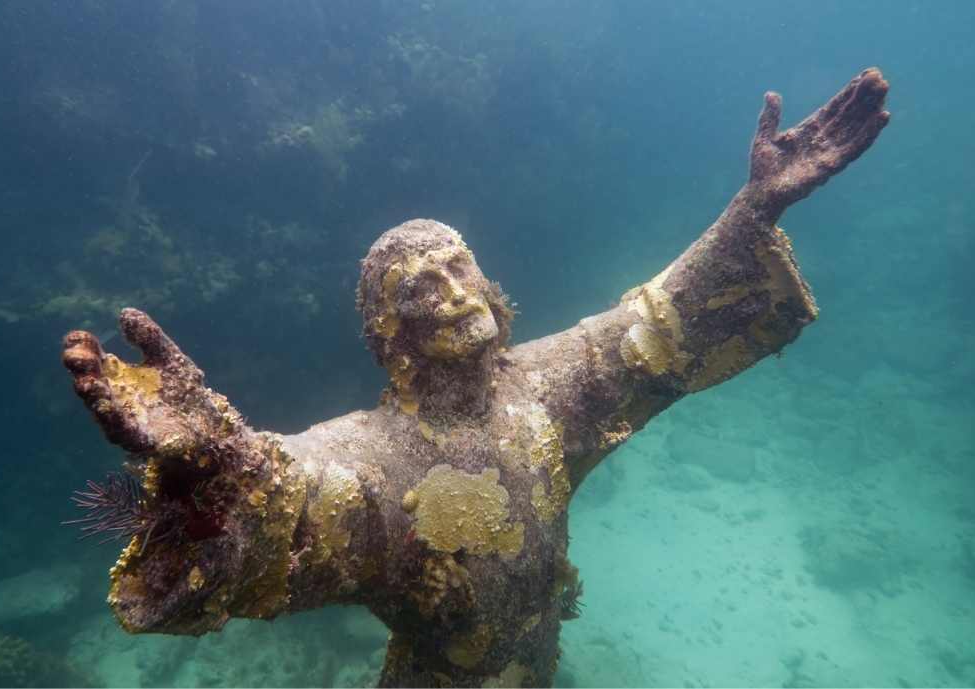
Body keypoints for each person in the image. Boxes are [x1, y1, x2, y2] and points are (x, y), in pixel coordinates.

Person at [62, 68, 889, 687]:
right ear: (393, 333)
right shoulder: (378, 461)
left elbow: (658, 323)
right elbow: (294, 498)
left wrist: (753, 210)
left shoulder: (549, 387)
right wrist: (215, 465)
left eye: (460, 265)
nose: (455, 290)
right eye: (424, 287)